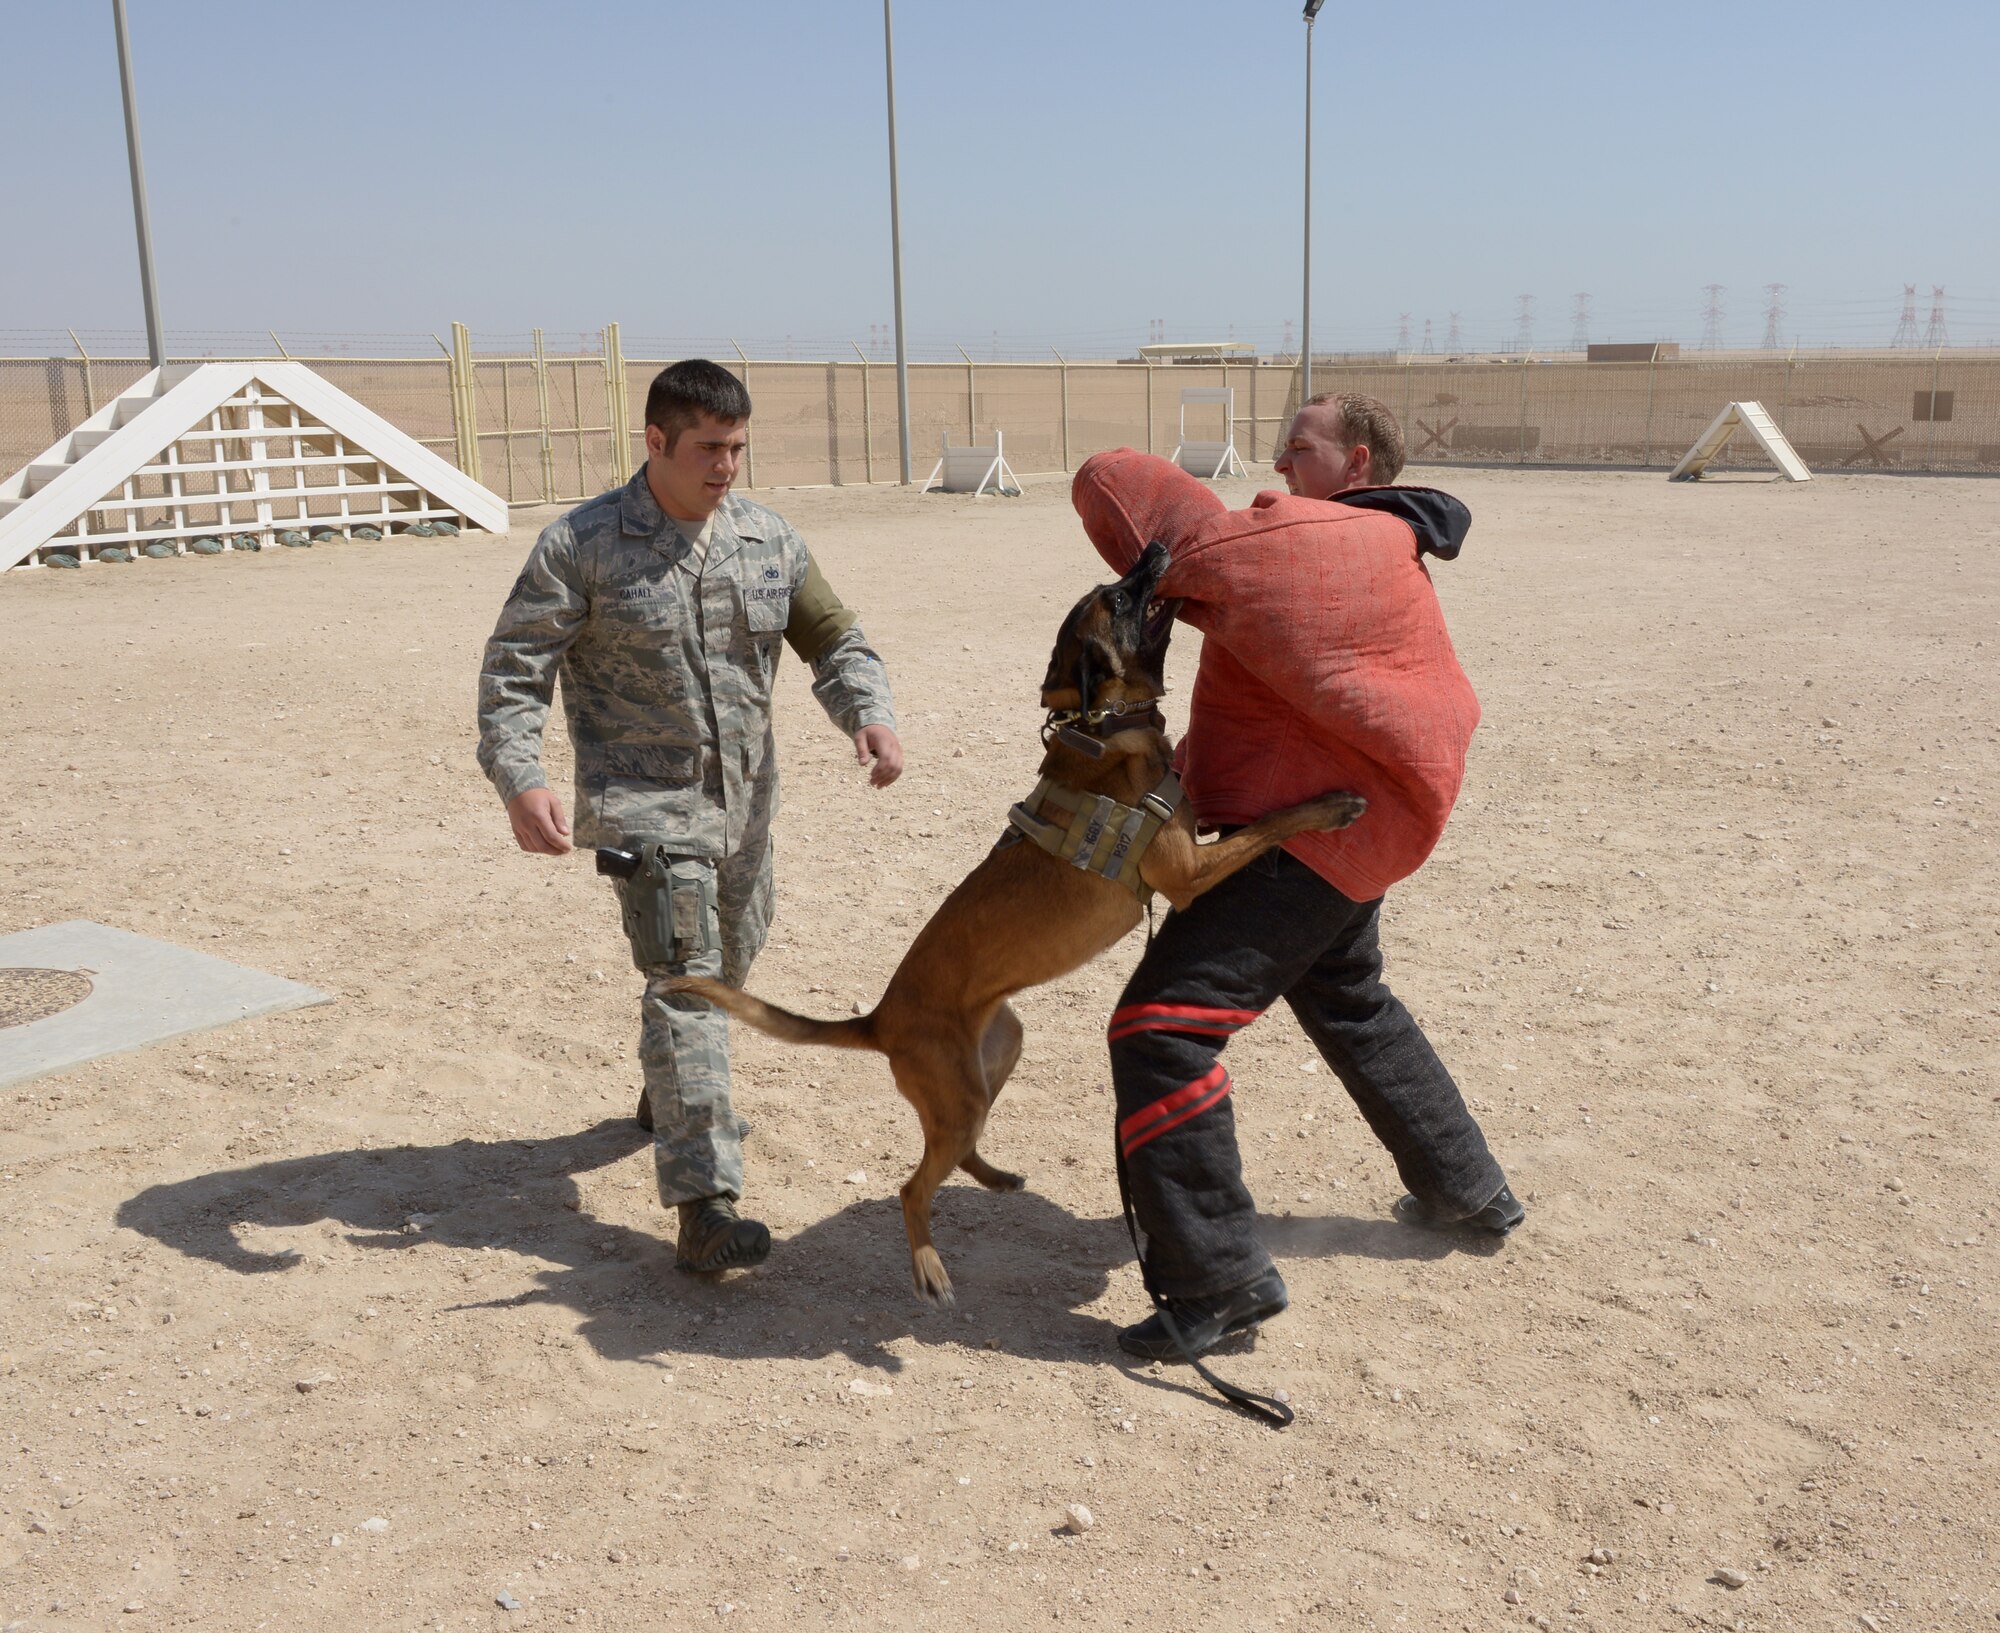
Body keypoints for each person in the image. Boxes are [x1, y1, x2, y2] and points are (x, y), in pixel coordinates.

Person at [1069, 391, 1521, 1362]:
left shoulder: (1333, 544)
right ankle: (1465, 1187)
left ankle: (1215, 1280)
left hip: (1317, 834)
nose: (1276, 464)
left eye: (1298, 446)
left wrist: (1133, 519)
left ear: (1356, 461)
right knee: (1345, 992)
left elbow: (1153, 518)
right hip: (1356, 815)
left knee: (1159, 1030)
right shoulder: (1368, 542)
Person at [477, 360, 903, 1274]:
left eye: (738, 447)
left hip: (745, 810)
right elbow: (515, 671)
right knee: (690, 982)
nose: (726, 467)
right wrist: (520, 775)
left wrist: (867, 711)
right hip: (646, 811)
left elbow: (834, 636)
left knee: (730, 957)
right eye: (709, 448)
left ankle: (667, 1085)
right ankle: (707, 1205)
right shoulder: (582, 544)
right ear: (657, 442)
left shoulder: (767, 540)